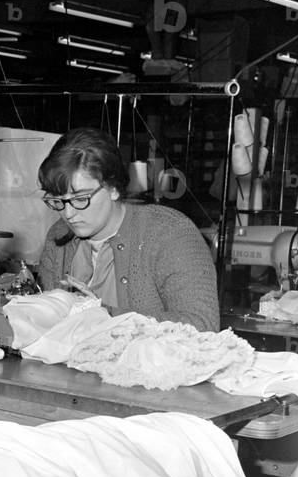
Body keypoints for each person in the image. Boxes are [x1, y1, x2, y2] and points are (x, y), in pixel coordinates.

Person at [36, 127, 219, 332]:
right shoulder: (59, 235)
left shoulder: (170, 233)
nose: (68, 213)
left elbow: (203, 326)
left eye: (80, 199)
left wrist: (102, 315)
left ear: (113, 188)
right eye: (58, 200)